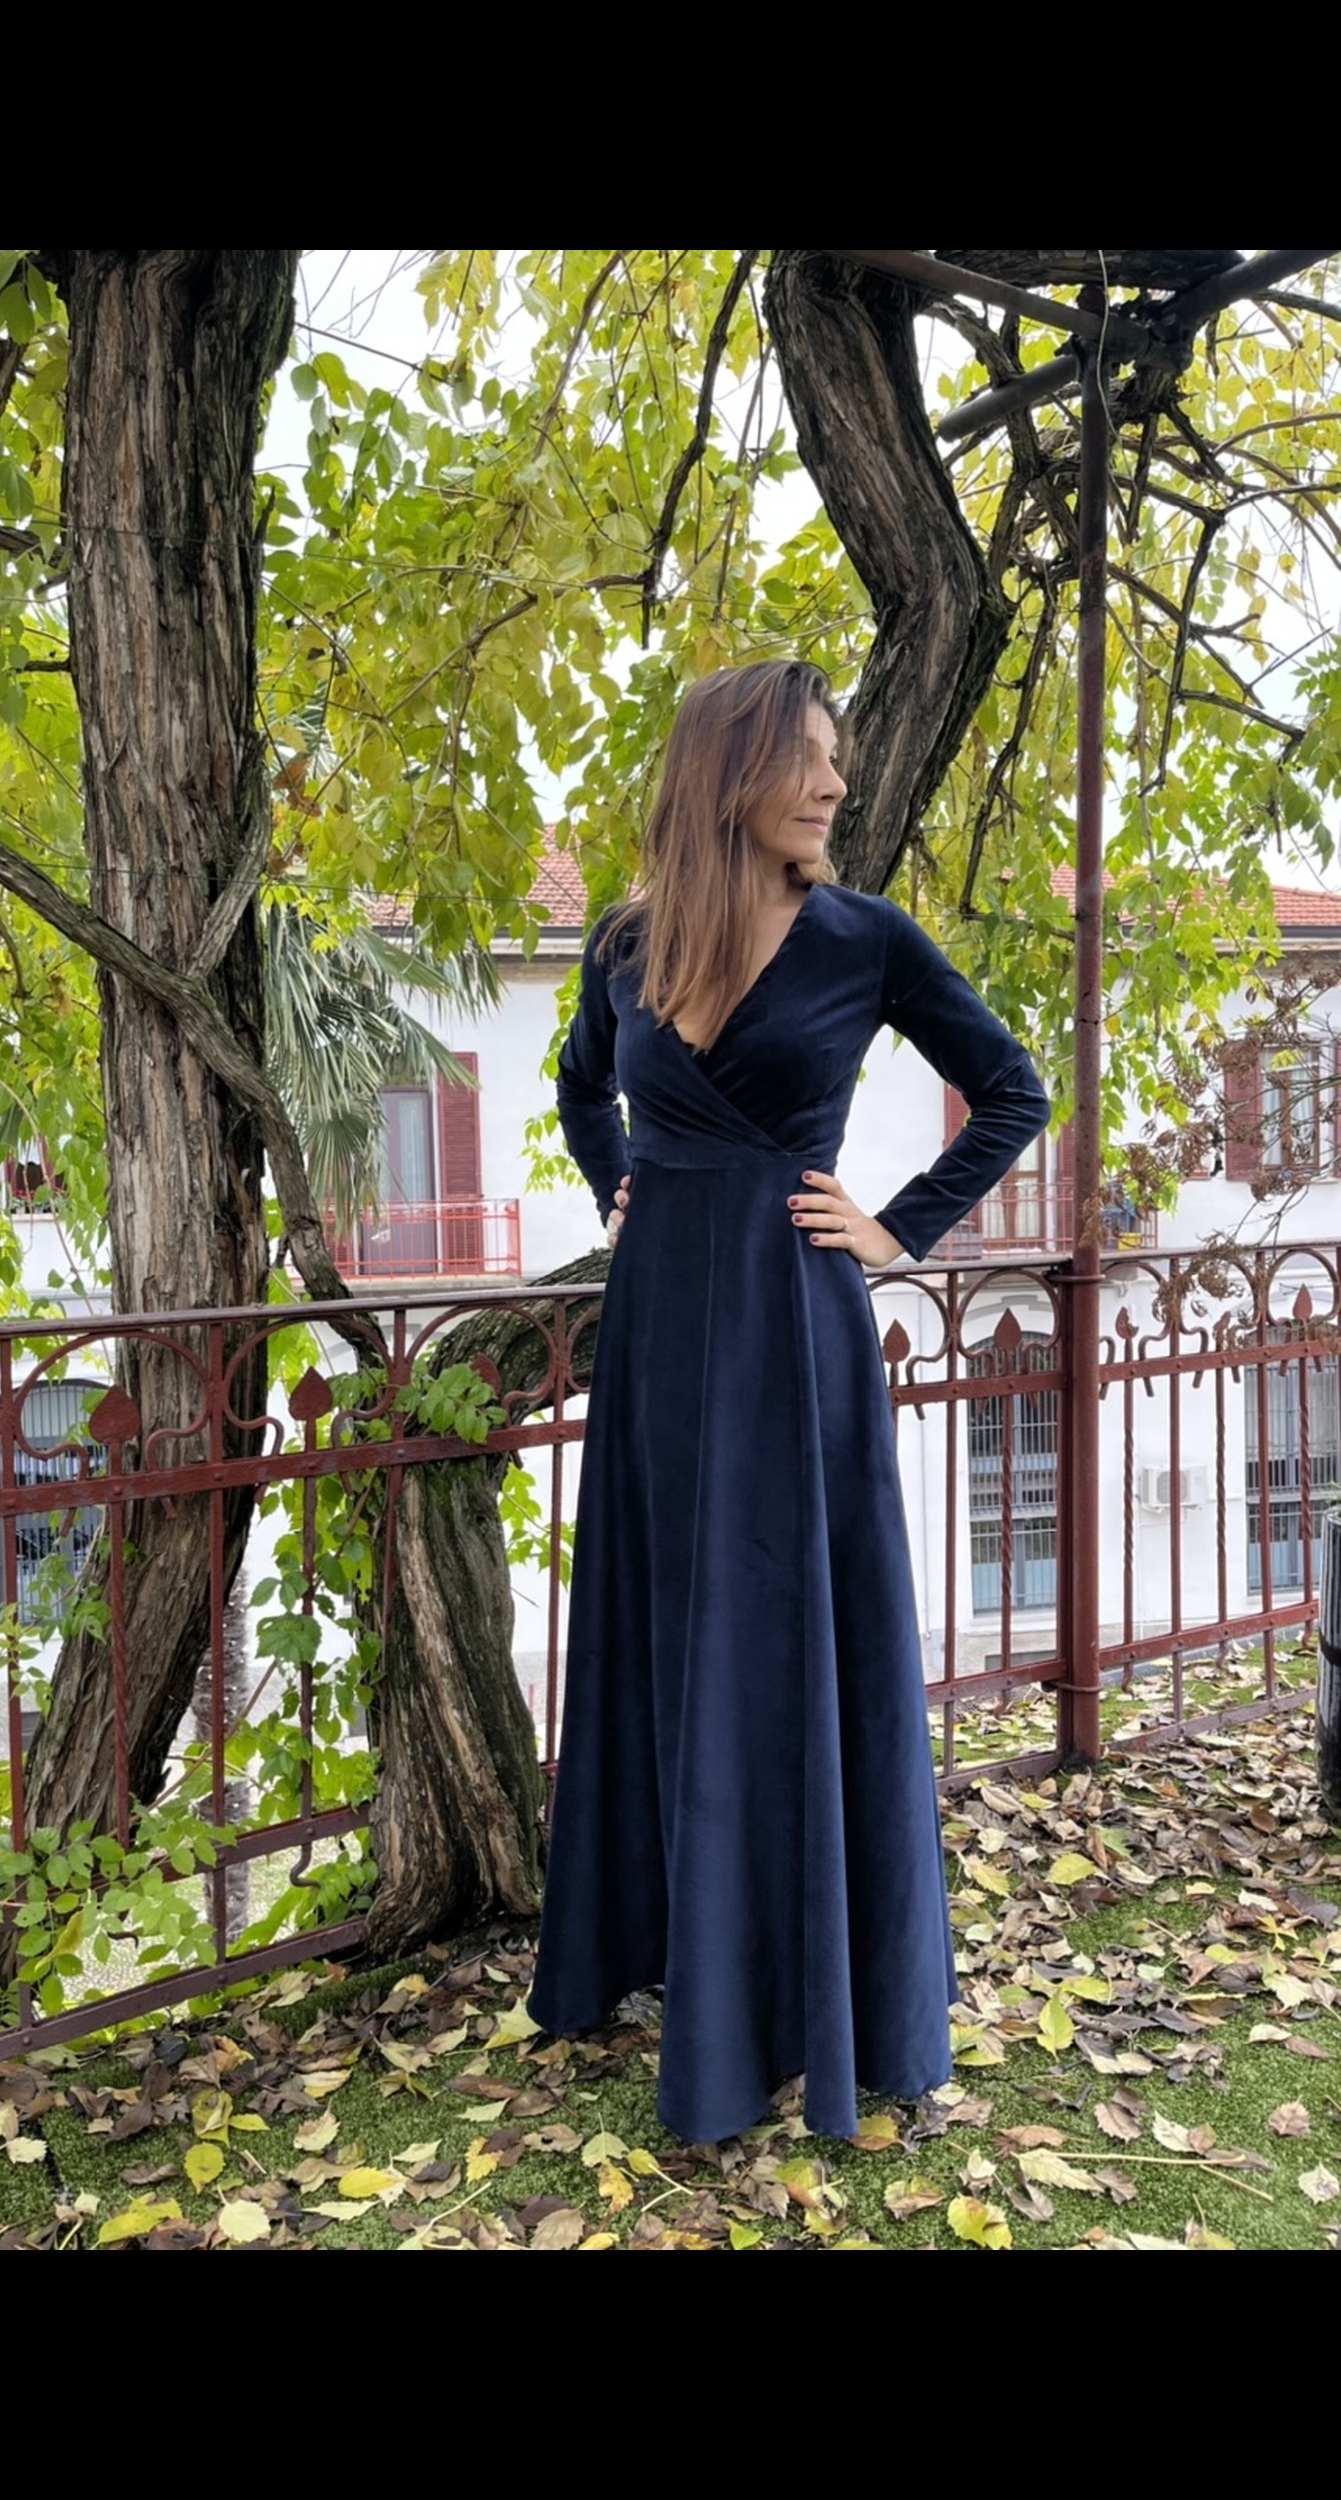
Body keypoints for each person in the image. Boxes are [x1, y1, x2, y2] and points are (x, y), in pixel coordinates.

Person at [526, 658, 1052, 2146]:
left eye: (837, 757)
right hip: (656, 1336)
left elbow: (1014, 1090)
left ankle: (813, 1998)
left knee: (792, 1640)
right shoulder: (626, 943)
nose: (835, 783)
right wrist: (618, 1185)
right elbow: (580, 1087)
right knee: (670, 1631)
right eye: (808, 757)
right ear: (732, 770)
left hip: (795, 1329)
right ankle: (675, 1961)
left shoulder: (865, 939)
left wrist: (899, 1229)